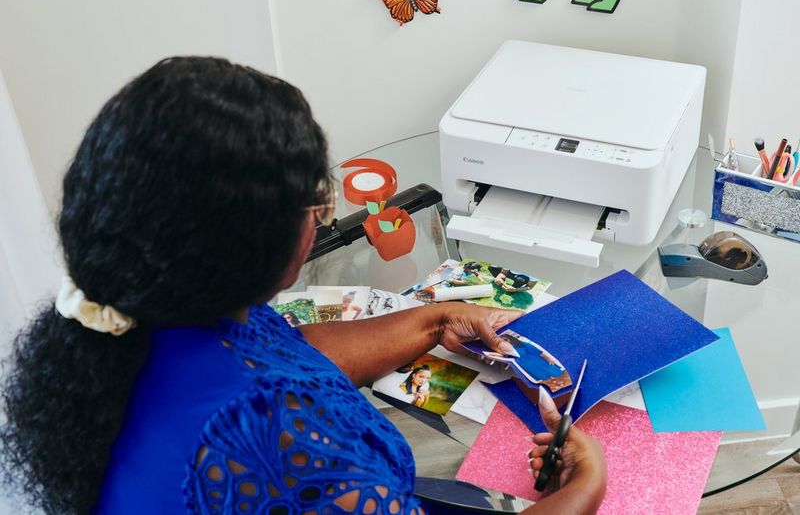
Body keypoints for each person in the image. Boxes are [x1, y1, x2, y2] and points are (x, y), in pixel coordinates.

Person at [0, 57, 607, 514]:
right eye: (319, 201)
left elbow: (293, 353)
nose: (323, 215)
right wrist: (586, 485)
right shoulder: (283, 445)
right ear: (256, 243)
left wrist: (433, 319)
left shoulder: (147, 312)